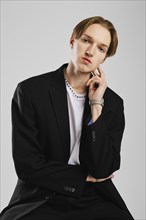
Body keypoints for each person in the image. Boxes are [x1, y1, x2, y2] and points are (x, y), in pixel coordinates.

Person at [0, 16, 134, 220]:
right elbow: (27, 165)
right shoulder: (31, 91)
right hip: (42, 195)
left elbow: (102, 168)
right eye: (86, 40)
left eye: (101, 48)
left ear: (104, 58)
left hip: (93, 198)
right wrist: (82, 177)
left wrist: (96, 106)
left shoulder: (113, 103)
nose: (90, 51)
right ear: (73, 41)